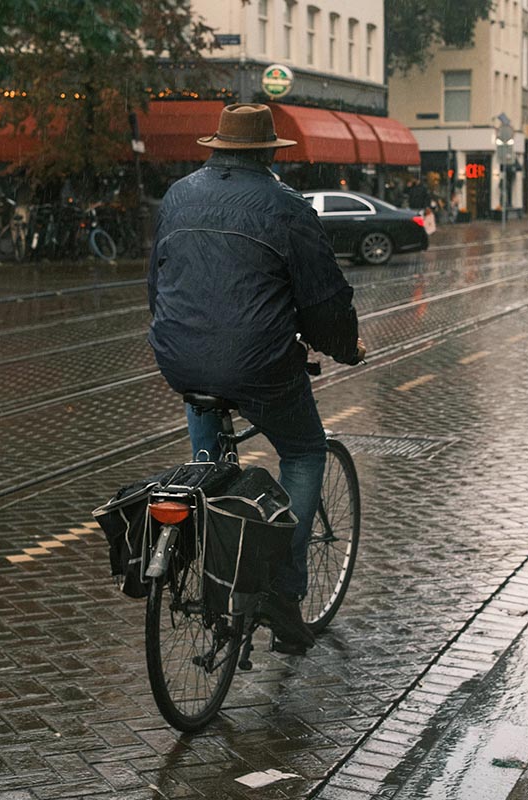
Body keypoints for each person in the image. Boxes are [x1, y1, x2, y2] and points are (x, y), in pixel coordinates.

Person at [146, 104, 365, 654]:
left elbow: (158, 283)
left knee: (213, 465)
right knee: (305, 451)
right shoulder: (286, 207)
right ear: (269, 153)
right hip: (259, 364)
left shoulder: (177, 195)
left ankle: (207, 530)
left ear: (216, 148)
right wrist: (345, 348)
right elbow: (324, 297)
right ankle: (283, 593)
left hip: (180, 357)